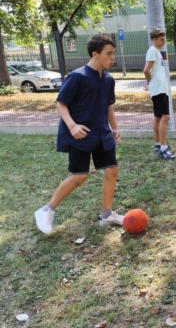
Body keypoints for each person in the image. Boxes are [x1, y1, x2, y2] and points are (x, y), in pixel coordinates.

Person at [34, 34, 124, 235]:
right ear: (95, 54)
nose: (112, 58)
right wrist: (72, 126)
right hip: (80, 135)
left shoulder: (108, 79)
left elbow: (108, 106)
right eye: (109, 54)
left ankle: (107, 214)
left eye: (113, 53)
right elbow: (61, 103)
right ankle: (46, 210)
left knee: (112, 170)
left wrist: (115, 128)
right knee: (80, 175)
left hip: (102, 133)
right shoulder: (78, 76)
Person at [143, 27, 175, 160]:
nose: (164, 42)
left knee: (157, 117)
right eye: (161, 40)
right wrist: (151, 83)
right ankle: (163, 148)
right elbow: (146, 70)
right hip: (159, 88)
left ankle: (158, 145)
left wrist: (152, 84)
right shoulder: (153, 51)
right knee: (165, 117)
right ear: (154, 39)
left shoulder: (155, 51)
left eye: (164, 39)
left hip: (159, 88)